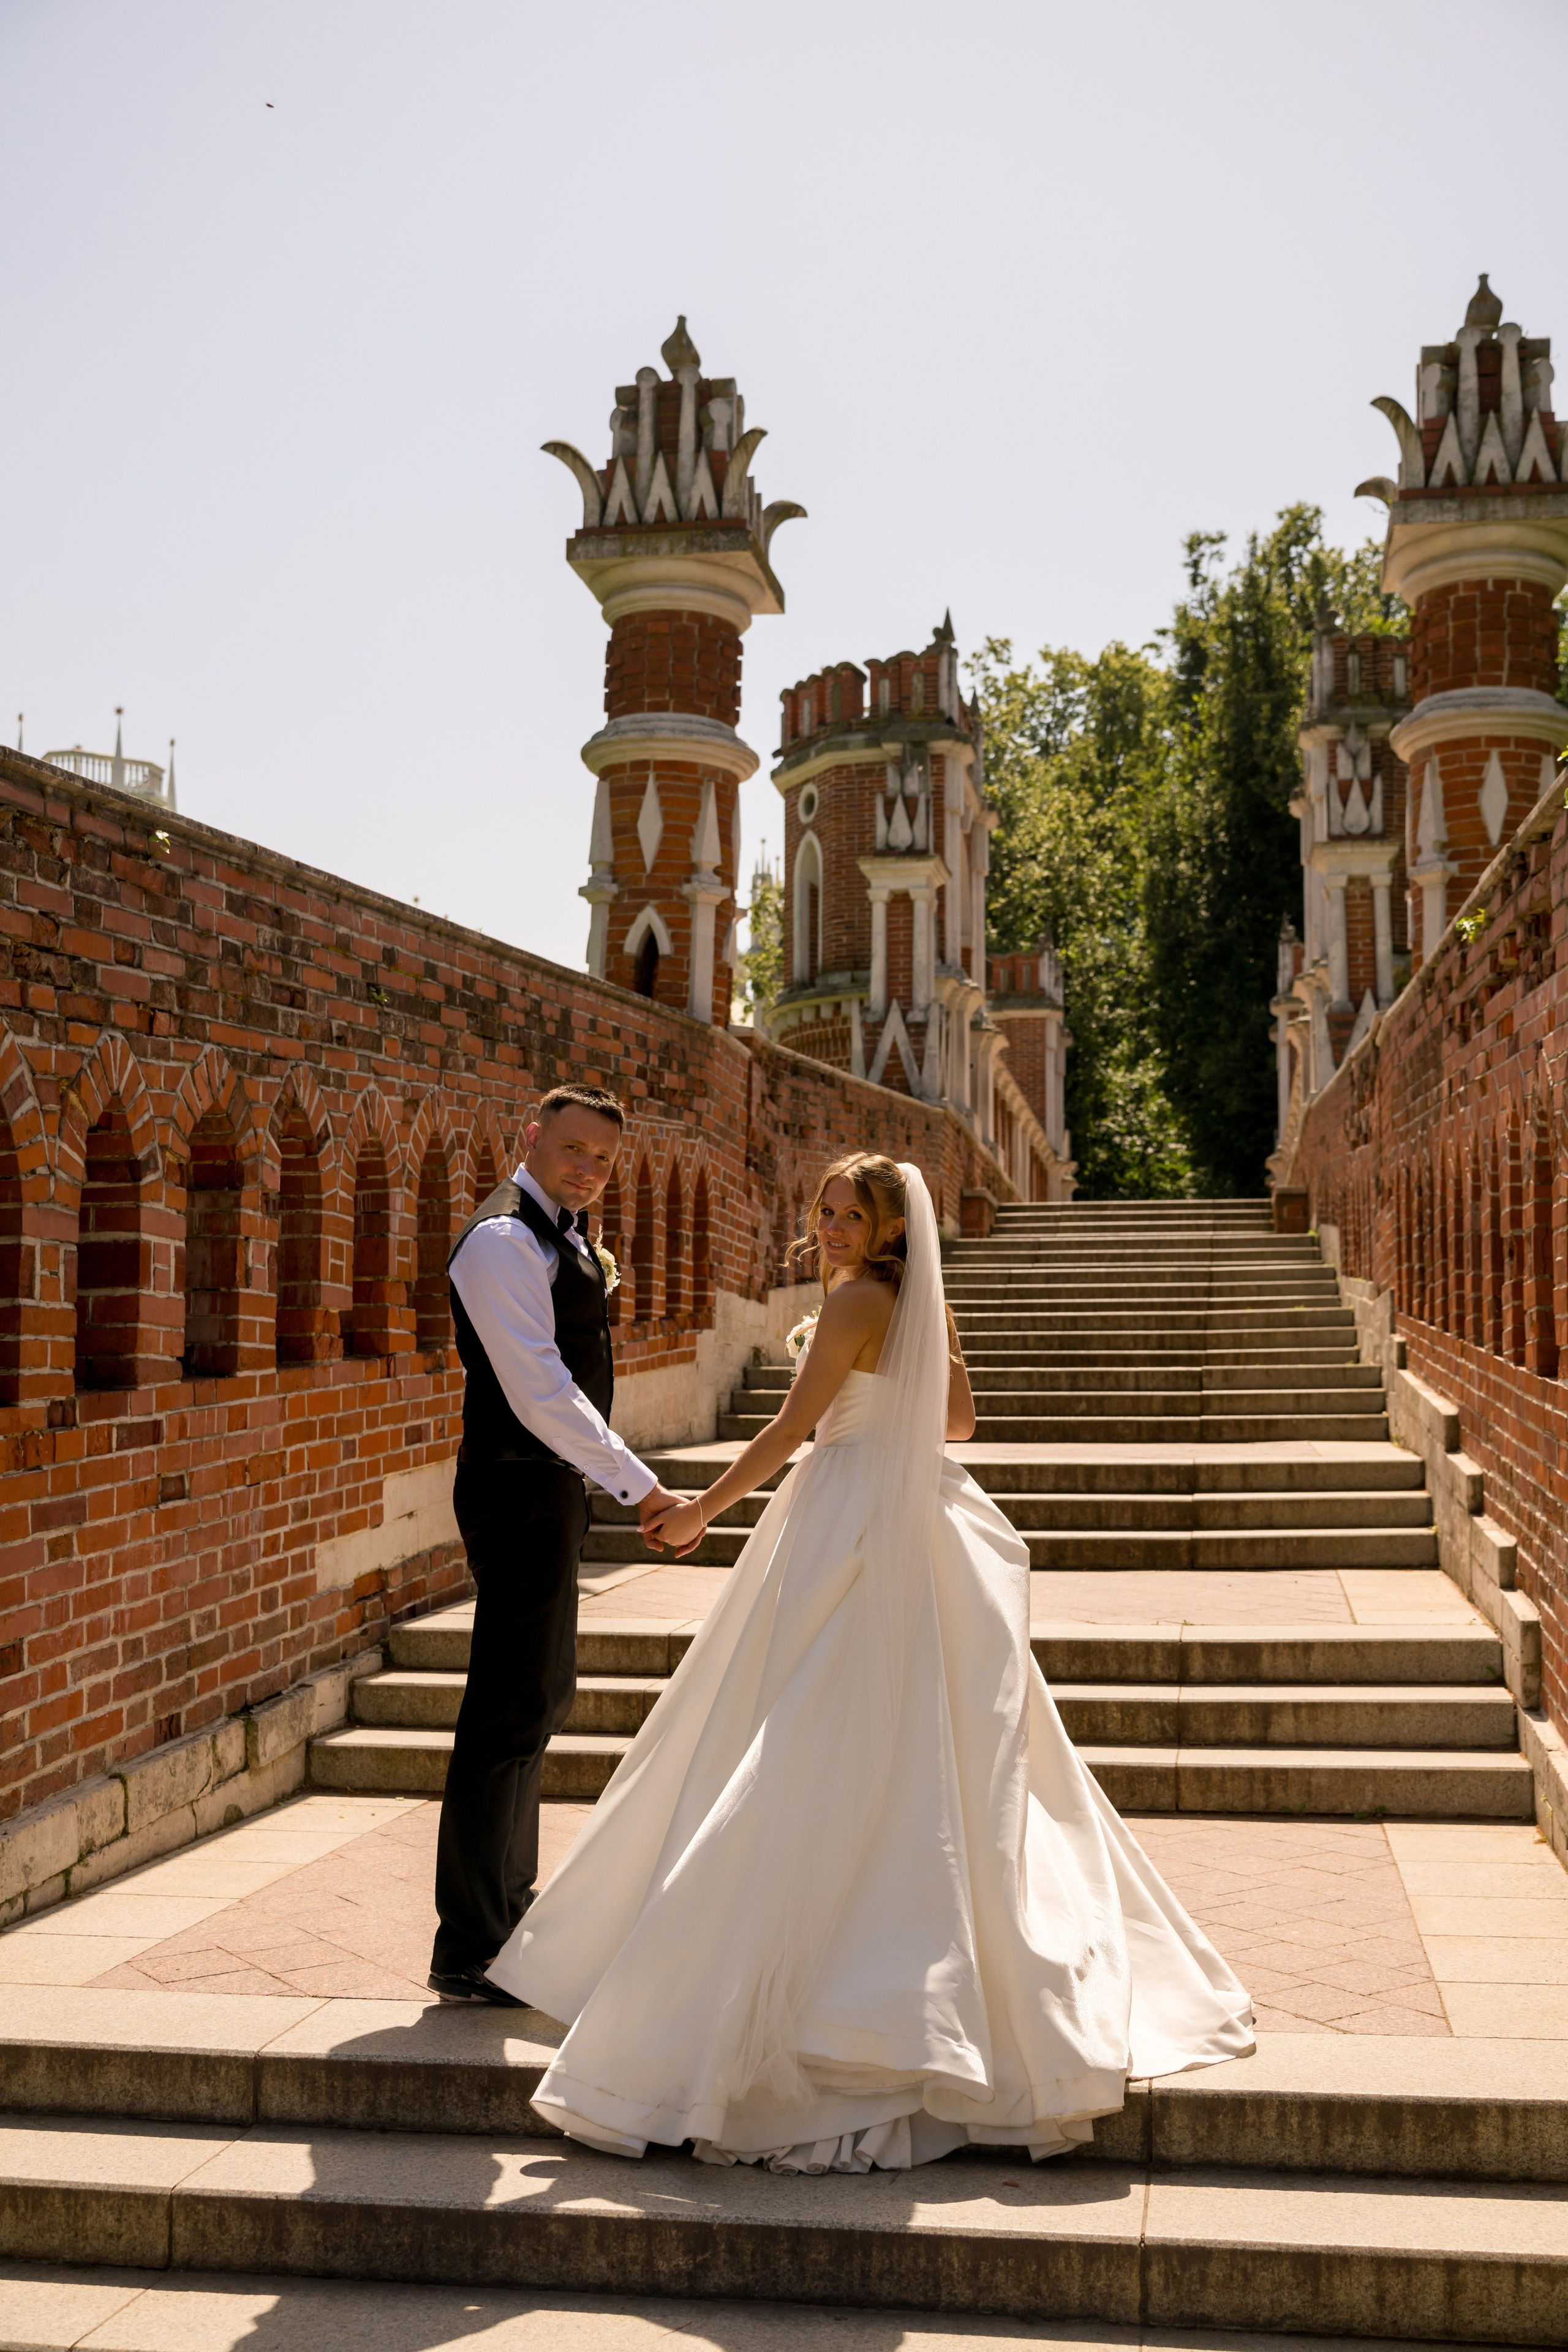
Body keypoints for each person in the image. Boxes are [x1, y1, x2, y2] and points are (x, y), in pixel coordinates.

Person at [487, 1152, 1253, 2166]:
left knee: (805, 1727)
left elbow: (792, 1429)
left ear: (894, 1227)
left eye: (852, 1215)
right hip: (918, 1519)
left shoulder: (855, 1303)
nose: (833, 1228)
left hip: (846, 1513)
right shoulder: (918, 1301)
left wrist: (702, 1508)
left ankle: (811, 1991)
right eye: (826, 1210)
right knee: (920, 1738)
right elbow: (958, 1422)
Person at [427, 1084, 682, 2005]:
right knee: (508, 1707)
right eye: (574, 1148)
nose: (588, 1169)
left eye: (604, 1159)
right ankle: (472, 1943)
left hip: (546, 1491)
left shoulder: (562, 1236)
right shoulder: (504, 1239)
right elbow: (540, 1389)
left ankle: (506, 1910)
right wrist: (641, 1485)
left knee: (539, 1698)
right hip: (514, 1487)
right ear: (531, 1136)